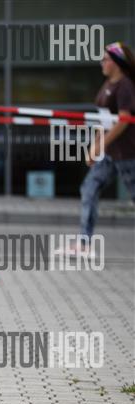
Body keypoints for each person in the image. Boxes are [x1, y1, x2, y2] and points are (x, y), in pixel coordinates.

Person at [78, 42, 135, 255]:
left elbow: (123, 120)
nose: (102, 62)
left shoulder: (125, 86)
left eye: (106, 59)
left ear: (117, 63)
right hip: (110, 154)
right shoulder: (107, 85)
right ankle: (84, 244)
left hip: (128, 154)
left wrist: (100, 145)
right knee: (89, 189)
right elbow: (103, 120)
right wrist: (95, 147)